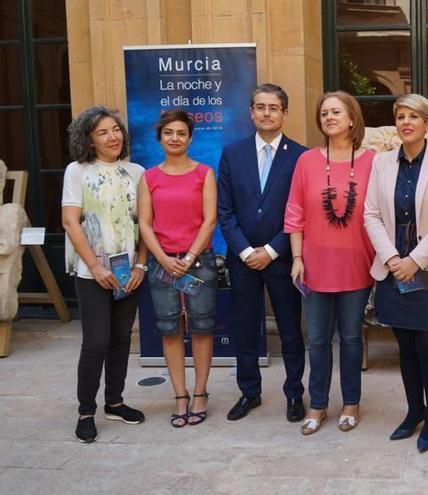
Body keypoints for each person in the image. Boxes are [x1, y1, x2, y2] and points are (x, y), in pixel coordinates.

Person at [363, 94, 428, 453]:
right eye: (400, 116)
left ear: (427, 123)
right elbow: (370, 214)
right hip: (393, 270)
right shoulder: (381, 163)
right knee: (405, 345)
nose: (406, 122)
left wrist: (414, 261)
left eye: (414, 117)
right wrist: (392, 259)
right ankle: (413, 412)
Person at [284, 91, 376, 435]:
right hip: (313, 264)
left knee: (352, 339)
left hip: (357, 263)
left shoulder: (373, 161)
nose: (329, 118)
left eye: (336, 112)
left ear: (352, 118)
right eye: (324, 113)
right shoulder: (306, 161)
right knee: (318, 340)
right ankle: (318, 404)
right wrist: (296, 257)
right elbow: (295, 212)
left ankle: (351, 403)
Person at [218, 84, 309, 423]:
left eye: (274, 107)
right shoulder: (232, 153)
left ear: (285, 113)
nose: (267, 113)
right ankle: (249, 392)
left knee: (289, 329)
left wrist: (272, 249)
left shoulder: (301, 156)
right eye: (260, 107)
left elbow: (302, 212)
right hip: (242, 261)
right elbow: (224, 211)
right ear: (251, 112)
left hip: (283, 258)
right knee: (245, 328)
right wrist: (244, 251)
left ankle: (294, 394)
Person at [62, 106, 147, 443]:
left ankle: (115, 401)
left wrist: (141, 264)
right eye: (103, 132)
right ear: (89, 139)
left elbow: (145, 225)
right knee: (96, 342)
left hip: (129, 273)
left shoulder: (137, 171)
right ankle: (86, 410)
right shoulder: (77, 171)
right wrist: (96, 267)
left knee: (122, 339)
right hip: (92, 273)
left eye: (116, 130)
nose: (113, 137)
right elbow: (70, 221)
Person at [138, 109, 219, 428]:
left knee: (201, 327)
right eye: (169, 132)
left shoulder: (204, 174)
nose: (175, 138)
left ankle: (200, 393)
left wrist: (188, 257)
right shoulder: (149, 177)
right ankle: (180, 395)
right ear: (159, 137)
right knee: (170, 329)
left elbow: (210, 220)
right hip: (162, 264)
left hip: (198, 263)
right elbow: (144, 223)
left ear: (190, 138)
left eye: (181, 133)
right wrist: (163, 258)